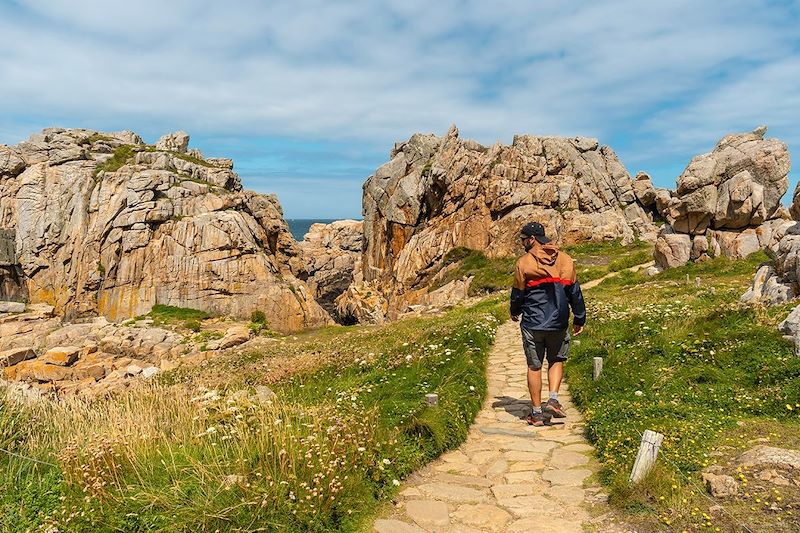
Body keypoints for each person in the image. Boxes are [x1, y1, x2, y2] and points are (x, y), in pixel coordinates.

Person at [510, 222, 586, 426]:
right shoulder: (565, 260)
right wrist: (580, 318)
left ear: (532, 239)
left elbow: (518, 294)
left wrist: (514, 311)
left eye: (524, 238)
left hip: (533, 323)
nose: (522, 242)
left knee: (534, 366)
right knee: (556, 360)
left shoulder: (524, 262)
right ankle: (553, 399)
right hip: (559, 322)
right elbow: (574, 292)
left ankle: (536, 413)